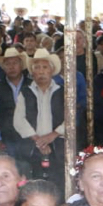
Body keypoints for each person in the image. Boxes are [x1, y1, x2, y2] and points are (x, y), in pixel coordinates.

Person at [12, 48, 68, 183]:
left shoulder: (63, 92)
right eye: (37, 68)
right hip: (32, 147)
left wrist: (53, 135)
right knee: (34, 182)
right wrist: (39, 141)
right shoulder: (26, 92)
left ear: (51, 70)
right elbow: (18, 120)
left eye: (45, 67)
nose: (41, 71)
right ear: (32, 72)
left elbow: (71, 119)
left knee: (58, 182)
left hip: (58, 146)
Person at [0, 47, 30, 157]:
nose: (11, 67)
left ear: (21, 65)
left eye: (15, 63)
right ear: (3, 67)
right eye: (8, 64)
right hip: (7, 137)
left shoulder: (31, 84)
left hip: (30, 136)